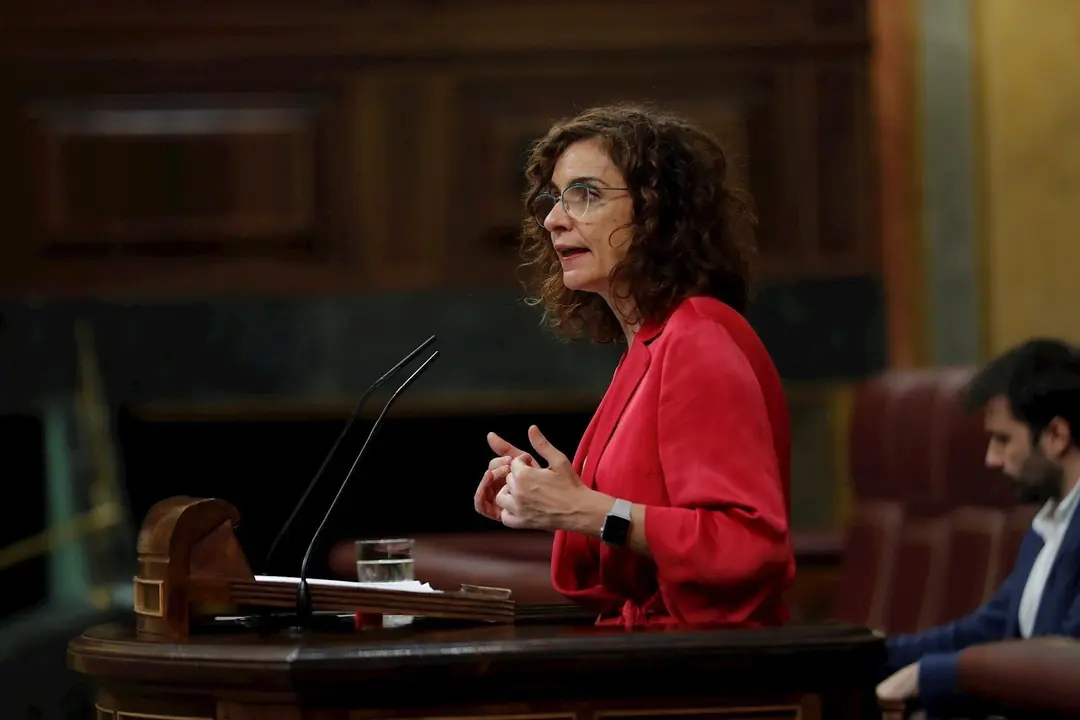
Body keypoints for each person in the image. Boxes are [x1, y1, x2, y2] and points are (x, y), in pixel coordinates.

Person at [471, 104, 794, 628]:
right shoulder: (651, 344)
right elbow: (623, 544)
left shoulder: (698, 340)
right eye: (554, 198)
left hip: (711, 677)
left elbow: (747, 545)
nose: (553, 219)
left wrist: (584, 510)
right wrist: (547, 501)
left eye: (586, 194)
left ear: (657, 212)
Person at [876, 339, 1080, 717]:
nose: (991, 458)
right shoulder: (1051, 522)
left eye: (1003, 439)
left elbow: (1067, 659)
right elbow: (988, 630)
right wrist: (861, 658)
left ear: (1056, 436)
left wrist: (929, 675)